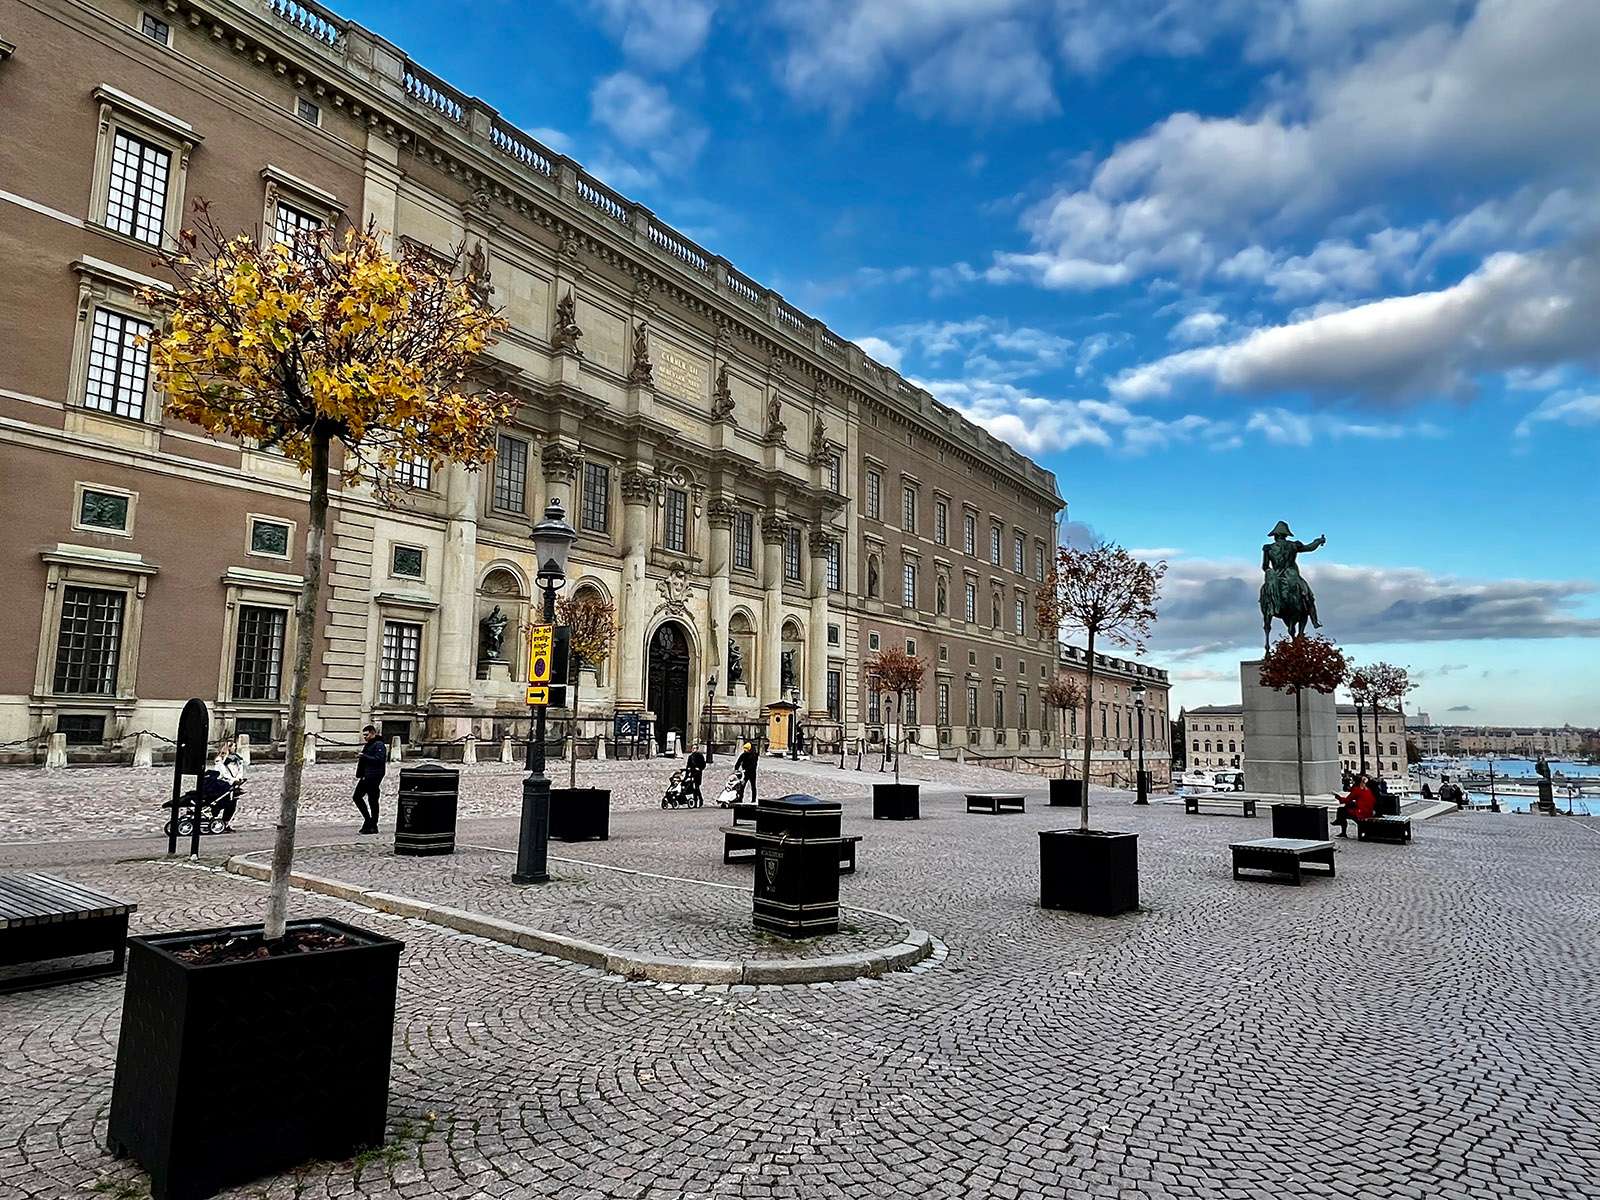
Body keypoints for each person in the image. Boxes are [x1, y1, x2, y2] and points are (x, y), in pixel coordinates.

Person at [353, 725, 387, 834]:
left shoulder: (379, 744)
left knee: (373, 801)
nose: (365, 737)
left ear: (373, 733)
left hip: (374, 777)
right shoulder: (369, 745)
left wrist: (363, 756)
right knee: (357, 797)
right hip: (365, 776)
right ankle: (368, 820)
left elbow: (379, 759)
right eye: (364, 735)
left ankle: (372, 824)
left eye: (366, 735)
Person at [1332, 773, 1376, 837]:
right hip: (1369, 811)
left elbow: (1347, 800)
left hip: (1361, 812)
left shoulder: (1357, 789)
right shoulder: (1367, 789)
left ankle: (1341, 826)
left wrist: (1337, 796)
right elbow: (1373, 800)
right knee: (1345, 808)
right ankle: (1339, 821)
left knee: (1342, 811)